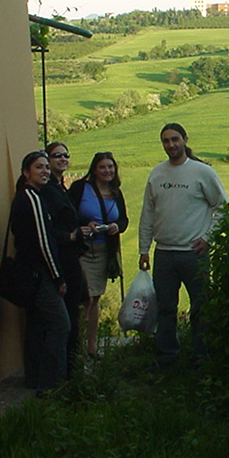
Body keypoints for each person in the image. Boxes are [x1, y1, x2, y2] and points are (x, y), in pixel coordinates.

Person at [139, 123, 227, 366]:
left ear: (185, 139)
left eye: (175, 139)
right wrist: (144, 249)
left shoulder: (202, 172)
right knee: (166, 309)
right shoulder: (157, 174)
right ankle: (168, 357)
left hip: (193, 254)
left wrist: (208, 238)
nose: (171, 145)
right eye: (166, 141)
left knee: (201, 307)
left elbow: (223, 207)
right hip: (164, 254)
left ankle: (201, 356)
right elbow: (147, 214)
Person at [10, 150, 70, 395]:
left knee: (36, 325)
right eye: (39, 167)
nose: (45, 171)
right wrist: (58, 277)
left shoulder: (24, 197)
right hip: (40, 273)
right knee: (60, 325)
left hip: (29, 273)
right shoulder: (32, 198)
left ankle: (34, 379)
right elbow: (44, 242)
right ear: (26, 173)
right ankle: (52, 383)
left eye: (47, 167)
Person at [68, 151, 128, 358]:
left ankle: (90, 345)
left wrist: (115, 227)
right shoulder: (79, 189)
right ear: (94, 169)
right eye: (103, 167)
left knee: (95, 298)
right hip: (83, 250)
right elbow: (67, 215)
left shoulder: (116, 193)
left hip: (104, 251)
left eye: (110, 167)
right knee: (86, 297)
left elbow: (124, 221)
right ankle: (78, 344)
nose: (107, 171)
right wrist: (85, 225)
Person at [41, 141, 91, 370]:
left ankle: (72, 363)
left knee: (77, 305)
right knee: (67, 315)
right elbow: (48, 228)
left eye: (66, 155)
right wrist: (70, 236)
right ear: (47, 160)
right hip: (61, 257)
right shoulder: (47, 190)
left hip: (70, 256)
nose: (62, 159)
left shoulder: (60, 186)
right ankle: (68, 369)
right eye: (56, 156)